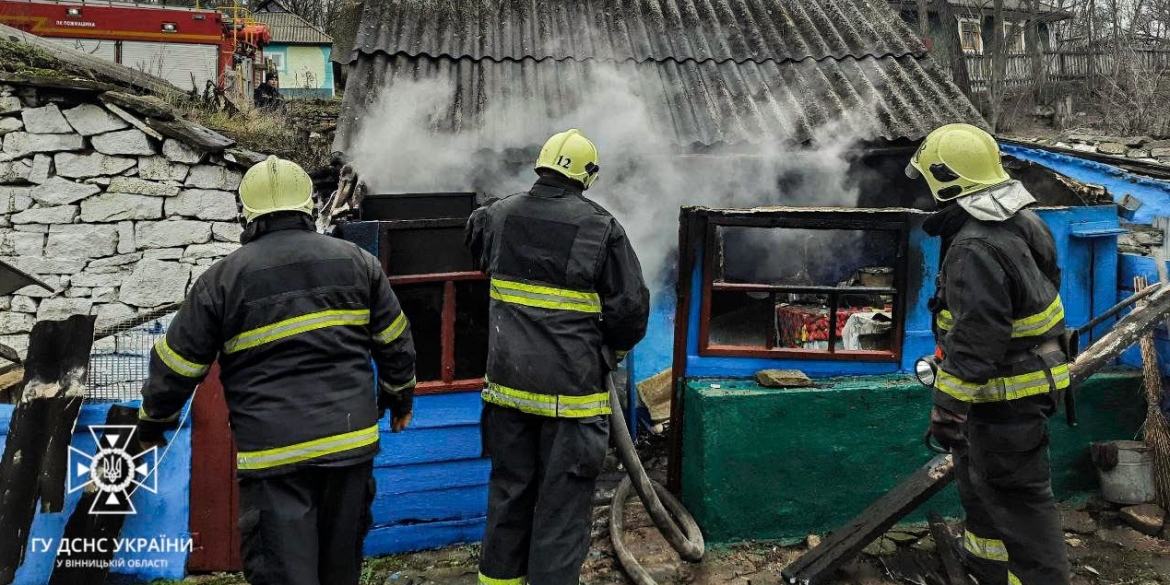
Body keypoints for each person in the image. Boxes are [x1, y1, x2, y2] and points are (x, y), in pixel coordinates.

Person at [136, 155, 416, 585]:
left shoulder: (221, 280)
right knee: (339, 570)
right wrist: (398, 399)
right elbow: (395, 341)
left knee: (284, 573)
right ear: (309, 205)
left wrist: (154, 422)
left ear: (245, 213)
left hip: (275, 458)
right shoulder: (358, 262)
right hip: (349, 446)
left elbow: (176, 364)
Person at [466, 129, 650, 585]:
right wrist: (612, 350)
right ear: (588, 176)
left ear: (541, 164)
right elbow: (630, 310)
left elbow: (477, 249)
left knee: (509, 498)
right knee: (561, 511)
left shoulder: (495, 217)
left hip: (507, 396)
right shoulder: (602, 229)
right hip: (572, 403)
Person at [908, 123, 1071, 585]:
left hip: (1003, 396)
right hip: (1022, 384)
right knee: (984, 489)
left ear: (948, 179)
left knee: (1020, 506)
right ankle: (986, 569)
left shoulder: (973, 247)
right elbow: (1043, 288)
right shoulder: (1025, 220)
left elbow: (978, 335)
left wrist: (948, 408)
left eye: (929, 181)